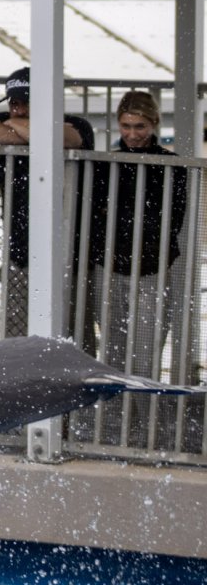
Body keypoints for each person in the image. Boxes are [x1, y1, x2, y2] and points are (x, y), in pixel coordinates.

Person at [0, 67, 95, 336]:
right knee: (17, 336)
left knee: (73, 336)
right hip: (21, 251)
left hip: (70, 252)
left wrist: (19, 131)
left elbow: (67, 138)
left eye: (26, 103)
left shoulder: (77, 124)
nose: (18, 110)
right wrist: (29, 132)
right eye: (14, 104)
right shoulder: (6, 120)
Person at [86, 90, 189, 377]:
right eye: (126, 126)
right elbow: (95, 214)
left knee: (146, 354)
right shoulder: (105, 163)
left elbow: (172, 219)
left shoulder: (172, 165)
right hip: (109, 264)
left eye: (139, 127)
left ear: (154, 123)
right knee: (112, 350)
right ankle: (116, 419)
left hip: (151, 267)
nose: (132, 134)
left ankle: (145, 418)